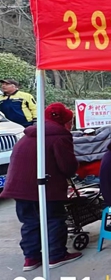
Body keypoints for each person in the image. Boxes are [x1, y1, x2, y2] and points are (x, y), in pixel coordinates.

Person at [0, 103, 81, 270]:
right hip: (45, 186)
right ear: (65, 122)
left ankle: (31, 258)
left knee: (30, 221)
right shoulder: (60, 137)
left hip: (17, 187)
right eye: (71, 122)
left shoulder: (28, 135)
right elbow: (67, 167)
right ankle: (56, 256)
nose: (71, 125)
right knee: (54, 219)